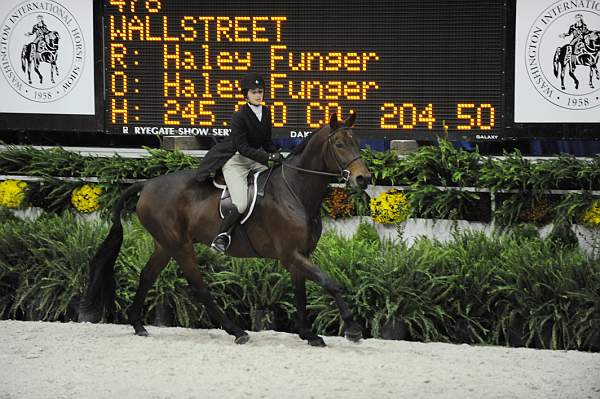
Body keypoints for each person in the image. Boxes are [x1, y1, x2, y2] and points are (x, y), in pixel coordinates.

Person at [196, 72, 283, 252]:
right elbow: (242, 147)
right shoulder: (239, 116)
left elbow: (266, 142)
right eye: (254, 92)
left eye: (260, 91)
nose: (258, 95)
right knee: (241, 203)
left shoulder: (266, 112)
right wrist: (267, 158)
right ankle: (222, 236)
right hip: (236, 161)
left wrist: (276, 154)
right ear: (246, 95)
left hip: (255, 159)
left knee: (278, 177)